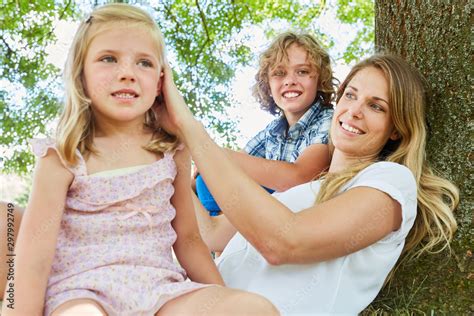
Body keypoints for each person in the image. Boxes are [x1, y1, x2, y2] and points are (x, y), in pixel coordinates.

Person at [0, 4, 279, 316]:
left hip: (160, 292)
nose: (127, 73)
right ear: (81, 73)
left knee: (254, 308)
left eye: (144, 63)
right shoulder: (62, 155)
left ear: (161, 81)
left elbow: (188, 240)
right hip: (81, 292)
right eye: (108, 59)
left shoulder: (170, 151)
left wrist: (221, 297)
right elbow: (32, 259)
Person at [156, 53, 459, 314]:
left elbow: (284, 242)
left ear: (396, 129)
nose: (354, 110)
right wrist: (170, 151)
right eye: (350, 95)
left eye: (376, 106)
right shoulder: (303, 192)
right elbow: (211, 234)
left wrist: (192, 131)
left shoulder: (391, 181)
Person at [193, 32, 335, 250]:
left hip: (294, 224)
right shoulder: (272, 131)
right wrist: (200, 172)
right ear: (268, 84)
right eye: (279, 73)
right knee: (205, 181)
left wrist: (213, 153)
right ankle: (224, 244)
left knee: (218, 169)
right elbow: (232, 164)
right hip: (260, 219)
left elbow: (298, 177)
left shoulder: (328, 120)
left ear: (320, 79)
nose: (290, 80)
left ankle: (224, 240)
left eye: (303, 71)